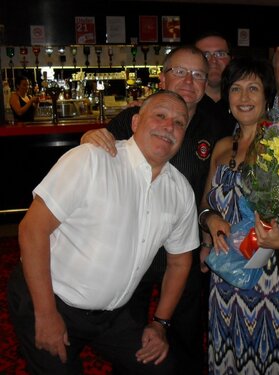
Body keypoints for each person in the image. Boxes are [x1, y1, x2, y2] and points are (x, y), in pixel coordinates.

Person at [7, 90, 199, 374]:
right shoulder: (93, 159)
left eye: (179, 122)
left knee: (163, 368)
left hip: (113, 315)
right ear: (135, 123)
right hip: (49, 297)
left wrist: (160, 323)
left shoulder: (180, 191)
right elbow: (32, 230)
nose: (169, 126)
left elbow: (180, 261)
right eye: (160, 116)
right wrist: (46, 315)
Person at [80, 45, 229, 375]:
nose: (189, 82)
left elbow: (219, 184)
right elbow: (100, 148)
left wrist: (206, 239)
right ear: (163, 76)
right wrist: (90, 137)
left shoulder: (216, 122)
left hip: (185, 246)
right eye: (179, 72)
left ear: (207, 83)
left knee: (187, 328)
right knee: (129, 331)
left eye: (198, 75)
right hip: (133, 242)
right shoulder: (136, 115)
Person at [199, 56, 279, 374]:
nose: (244, 97)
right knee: (227, 350)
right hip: (223, 270)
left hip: (266, 274)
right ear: (227, 98)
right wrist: (208, 226)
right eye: (237, 89)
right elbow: (205, 205)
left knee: (266, 354)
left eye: (253, 88)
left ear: (267, 97)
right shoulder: (222, 147)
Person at [194, 31, 235, 136]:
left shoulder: (244, 103)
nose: (213, 60)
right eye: (205, 55)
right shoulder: (185, 103)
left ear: (232, 59)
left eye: (220, 54)